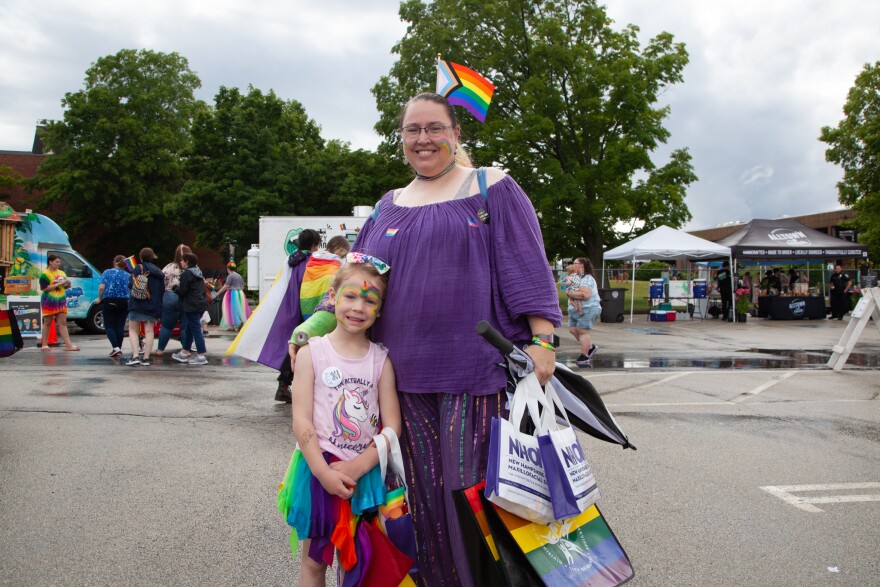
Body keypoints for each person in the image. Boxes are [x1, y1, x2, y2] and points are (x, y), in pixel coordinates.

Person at [350, 92, 561, 585]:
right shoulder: (388, 206)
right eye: (412, 130)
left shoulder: (490, 187)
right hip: (399, 377)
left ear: (455, 133)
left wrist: (543, 339)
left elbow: (526, 264)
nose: (423, 139)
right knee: (418, 500)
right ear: (401, 138)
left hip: (475, 371)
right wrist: (313, 332)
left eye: (434, 128)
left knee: (473, 495)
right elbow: (357, 282)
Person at [288, 255, 401, 585]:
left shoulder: (381, 361)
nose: (358, 307)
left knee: (359, 563)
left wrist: (359, 466)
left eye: (369, 300)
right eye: (350, 296)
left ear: (379, 310)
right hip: (317, 472)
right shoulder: (313, 353)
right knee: (314, 563)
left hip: (364, 476)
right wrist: (323, 473)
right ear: (333, 295)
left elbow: (392, 425)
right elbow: (301, 421)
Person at [287, 235, 352, 369]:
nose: (344, 257)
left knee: (309, 342)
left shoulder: (313, 259)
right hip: (326, 305)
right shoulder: (336, 263)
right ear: (339, 249)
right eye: (344, 253)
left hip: (307, 299)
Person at [275, 229, 322, 403]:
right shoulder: (314, 262)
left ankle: (284, 384)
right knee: (306, 347)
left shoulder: (291, 260)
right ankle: (289, 385)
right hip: (308, 310)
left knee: (294, 345)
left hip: (291, 307)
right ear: (314, 245)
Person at [126, 248, 165, 366]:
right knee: (149, 331)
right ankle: (146, 357)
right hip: (152, 305)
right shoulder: (159, 272)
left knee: (133, 330)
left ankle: (136, 356)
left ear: (141, 257)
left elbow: (131, 283)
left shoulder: (139, 268)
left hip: (137, 303)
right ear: (153, 257)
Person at [172, 253, 210, 365]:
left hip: (191, 305)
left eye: (182, 260)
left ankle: (201, 355)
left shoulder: (187, 274)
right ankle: (184, 352)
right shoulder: (198, 272)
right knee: (189, 328)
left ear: (187, 261)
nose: (181, 262)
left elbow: (183, 292)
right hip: (201, 304)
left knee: (196, 330)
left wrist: (175, 288)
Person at [155, 244, 192, 355]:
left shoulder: (169, 267)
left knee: (166, 326)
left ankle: (160, 349)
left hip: (169, 297)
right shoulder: (193, 269)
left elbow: (160, 281)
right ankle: (185, 350)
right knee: (185, 326)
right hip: (186, 298)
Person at [38, 253, 79, 351]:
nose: (59, 264)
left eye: (59, 262)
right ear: (50, 262)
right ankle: (44, 344)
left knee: (63, 322)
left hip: (60, 300)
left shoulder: (62, 273)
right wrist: (58, 284)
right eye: (57, 262)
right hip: (49, 300)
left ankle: (68, 345)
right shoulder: (45, 274)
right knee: (47, 322)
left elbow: (64, 286)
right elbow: (44, 288)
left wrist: (67, 284)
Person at [567, 257, 601, 367]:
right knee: (572, 329)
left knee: (582, 331)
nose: (573, 265)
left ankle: (585, 355)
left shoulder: (587, 279)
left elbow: (585, 295)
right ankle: (590, 347)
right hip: (575, 309)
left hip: (588, 308)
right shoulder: (576, 277)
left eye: (575, 263)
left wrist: (571, 294)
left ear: (581, 265)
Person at [97, 255, 130, 357]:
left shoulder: (107, 272)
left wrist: (100, 298)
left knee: (109, 326)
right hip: (124, 301)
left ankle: (115, 348)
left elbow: (101, 287)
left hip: (110, 300)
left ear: (115, 262)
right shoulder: (128, 275)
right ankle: (118, 348)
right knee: (120, 326)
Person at [215, 261, 251, 331]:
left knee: (232, 309)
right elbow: (242, 285)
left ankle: (235, 325)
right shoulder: (239, 275)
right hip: (240, 293)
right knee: (239, 309)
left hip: (232, 293)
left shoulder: (230, 276)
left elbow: (226, 285)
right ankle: (239, 324)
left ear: (228, 268)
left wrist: (218, 292)